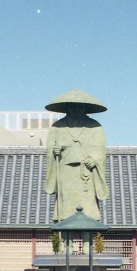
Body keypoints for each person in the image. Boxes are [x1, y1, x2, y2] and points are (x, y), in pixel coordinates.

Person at [44, 92, 109, 221]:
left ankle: (87, 241)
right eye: (72, 106)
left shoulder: (94, 127)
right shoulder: (57, 127)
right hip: (65, 173)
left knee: (87, 210)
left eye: (80, 106)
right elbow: (50, 152)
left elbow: (100, 152)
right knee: (65, 209)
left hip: (86, 175)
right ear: (67, 108)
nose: (76, 109)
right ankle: (65, 240)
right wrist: (55, 151)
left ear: (85, 108)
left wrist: (94, 160)